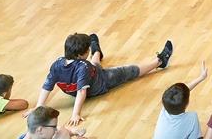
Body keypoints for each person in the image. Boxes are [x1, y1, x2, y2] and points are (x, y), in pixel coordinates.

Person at [37, 32, 174, 128]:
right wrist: (75, 114)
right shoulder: (83, 67)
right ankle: (160, 61)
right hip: (102, 81)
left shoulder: (57, 64)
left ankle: (96, 50)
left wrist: (38, 106)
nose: (86, 52)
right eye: (87, 50)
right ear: (80, 55)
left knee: (94, 63)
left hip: (91, 75)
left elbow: (47, 86)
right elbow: (82, 92)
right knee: (130, 71)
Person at [153, 62, 209, 139]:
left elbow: (184, 92)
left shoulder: (165, 109)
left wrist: (201, 78)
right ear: (187, 103)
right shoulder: (191, 118)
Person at [19, 106, 86, 139]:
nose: (56, 129)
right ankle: (72, 131)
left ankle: (72, 131)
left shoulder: (35, 133)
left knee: (61, 131)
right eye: (54, 127)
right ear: (40, 130)